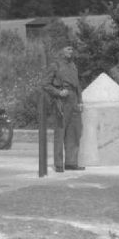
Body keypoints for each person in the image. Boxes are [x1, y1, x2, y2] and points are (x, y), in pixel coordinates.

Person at [42, 43, 84, 172]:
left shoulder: (73, 66)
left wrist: (80, 100)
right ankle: (59, 164)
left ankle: (71, 162)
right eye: (68, 49)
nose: (71, 51)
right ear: (61, 51)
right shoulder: (55, 65)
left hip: (74, 99)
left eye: (72, 49)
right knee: (60, 132)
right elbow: (45, 84)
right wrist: (58, 92)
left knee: (74, 131)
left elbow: (77, 85)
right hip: (61, 100)